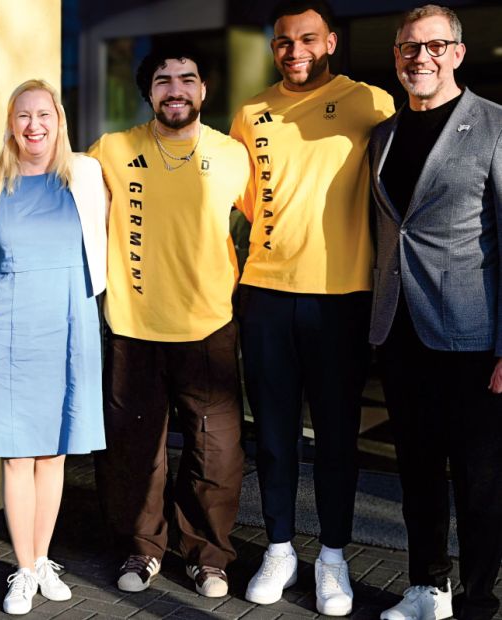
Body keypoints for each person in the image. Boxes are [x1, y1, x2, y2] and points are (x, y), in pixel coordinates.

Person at [228, 0, 395, 614]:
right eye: (282, 42)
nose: (294, 51)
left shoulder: (371, 102)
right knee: (272, 435)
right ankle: (278, 548)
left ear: (329, 43)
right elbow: (244, 198)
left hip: (342, 298)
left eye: (306, 40)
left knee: (336, 438)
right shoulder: (251, 112)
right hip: (266, 292)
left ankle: (331, 557)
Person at [89, 42, 249, 598]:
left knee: (217, 451)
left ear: (203, 90)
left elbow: (277, 221)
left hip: (209, 326)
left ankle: (208, 556)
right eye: (163, 79)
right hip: (134, 327)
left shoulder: (233, 154)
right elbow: (55, 184)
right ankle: (143, 548)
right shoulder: (112, 149)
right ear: (148, 92)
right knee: (135, 453)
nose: (175, 88)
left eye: (187, 78)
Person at [368, 5, 502, 620]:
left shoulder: (496, 126)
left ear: (457, 53)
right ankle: (428, 588)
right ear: (396, 56)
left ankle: (478, 600)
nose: (419, 57)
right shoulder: (384, 135)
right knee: (418, 472)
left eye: (433, 46)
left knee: (479, 482)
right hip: (401, 328)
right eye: (407, 48)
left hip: (474, 336)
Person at [0, 79, 108, 615]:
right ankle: (23, 568)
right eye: (23, 115)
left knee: (54, 452)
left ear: (59, 121)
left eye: (43, 114)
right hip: (9, 322)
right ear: (10, 124)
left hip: (69, 319)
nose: (33, 125)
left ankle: (44, 559)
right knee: (18, 456)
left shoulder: (87, 175)